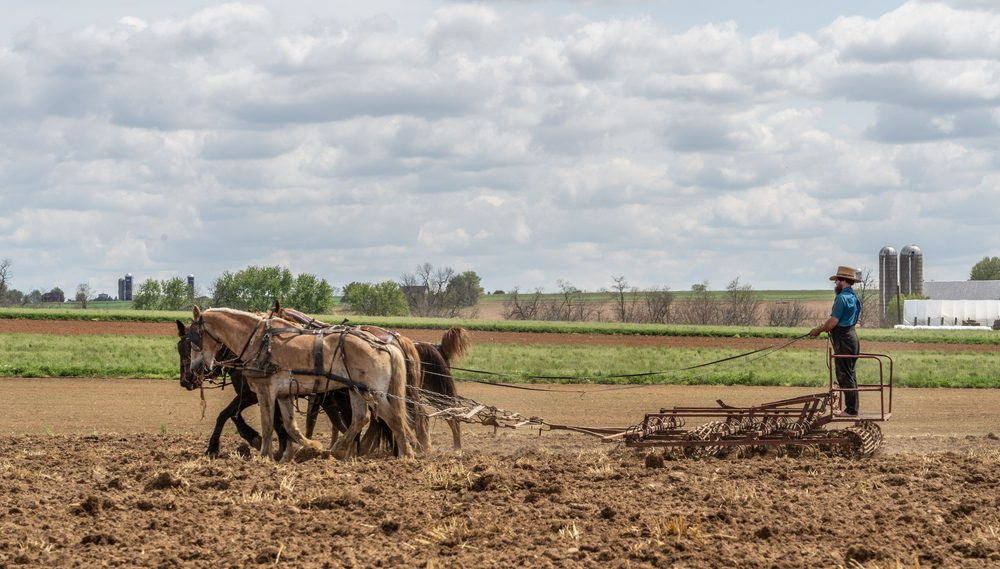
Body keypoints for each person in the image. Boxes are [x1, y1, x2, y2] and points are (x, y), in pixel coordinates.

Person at [809, 265, 861, 416]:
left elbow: (833, 321)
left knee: (844, 374)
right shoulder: (854, 298)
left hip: (843, 339)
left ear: (843, 281)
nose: (835, 284)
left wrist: (818, 330)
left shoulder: (841, 298)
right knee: (850, 373)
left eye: (837, 280)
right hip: (852, 337)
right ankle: (852, 408)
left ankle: (851, 410)